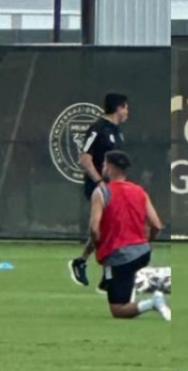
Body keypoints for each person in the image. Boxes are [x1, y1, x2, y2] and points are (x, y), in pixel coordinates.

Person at [90, 150, 170, 320]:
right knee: (119, 277)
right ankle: (131, 285)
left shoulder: (102, 192)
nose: (103, 167)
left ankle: (153, 302)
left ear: (110, 168)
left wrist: (100, 248)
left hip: (119, 256)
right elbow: (156, 224)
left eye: (104, 164)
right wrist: (146, 242)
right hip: (142, 252)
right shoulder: (139, 191)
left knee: (118, 310)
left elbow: (94, 229)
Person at [70, 92, 129, 287]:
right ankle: (107, 273)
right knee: (108, 227)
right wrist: (99, 182)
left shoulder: (118, 131)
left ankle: (82, 261)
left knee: (107, 228)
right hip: (99, 186)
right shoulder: (97, 128)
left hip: (114, 186)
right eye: (126, 107)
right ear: (118, 107)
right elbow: (84, 158)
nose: (128, 111)